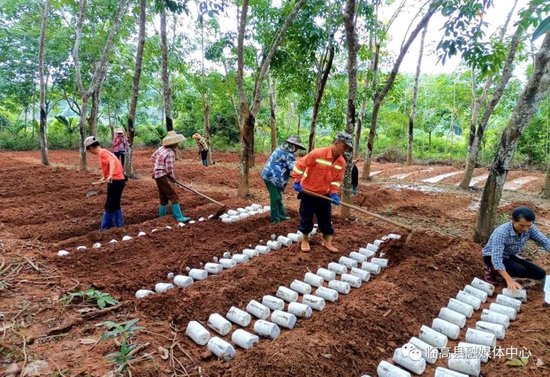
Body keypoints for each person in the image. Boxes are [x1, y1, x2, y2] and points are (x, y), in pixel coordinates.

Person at [291, 132, 353, 253]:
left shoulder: (341, 162)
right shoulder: (318, 153)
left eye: (347, 148)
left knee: (326, 218)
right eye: (344, 146)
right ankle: (304, 240)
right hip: (309, 192)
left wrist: (334, 193)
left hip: (324, 195)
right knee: (306, 217)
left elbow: (336, 181)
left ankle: (327, 241)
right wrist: (297, 180)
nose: (345, 149)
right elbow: (300, 164)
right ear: (336, 143)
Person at [483, 206, 550, 291]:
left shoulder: (530, 228)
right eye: (521, 225)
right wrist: (509, 280)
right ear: (513, 220)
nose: (525, 229)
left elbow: (545, 241)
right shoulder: (501, 232)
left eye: (528, 226)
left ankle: (508, 271)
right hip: (491, 256)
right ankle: (491, 270)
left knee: (540, 273)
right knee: (519, 270)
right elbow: (496, 259)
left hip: (510, 255)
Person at [85, 136, 126, 230]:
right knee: (115, 204)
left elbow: (112, 161)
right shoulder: (104, 152)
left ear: (90, 147)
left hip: (116, 180)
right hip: (118, 179)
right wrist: (103, 178)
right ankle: (118, 226)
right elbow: (109, 165)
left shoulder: (102, 153)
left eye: (88, 150)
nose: (89, 152)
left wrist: (110, 175)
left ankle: (104, 228)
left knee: (109, 205)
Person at [262, 135, 306, 224]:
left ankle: (282, 217)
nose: (297, 149)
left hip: (270, 175)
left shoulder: (282, 148)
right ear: (292, 145)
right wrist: (303, 175)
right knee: (275, 198)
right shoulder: (288, 154)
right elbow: (293, 168)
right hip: (272, 177)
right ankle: (275, 220)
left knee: (278, 197)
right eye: (297, 147)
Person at [151, 131, 191, 223]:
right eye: (177, 143)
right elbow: (169, 169)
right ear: (173, 144)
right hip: (163, 176)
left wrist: (155, 168)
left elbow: (152, 157)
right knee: (174, 196)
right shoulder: (170, 153)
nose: (177, 144)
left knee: (163, 196)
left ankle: (162, 217)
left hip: (157, 176)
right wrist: (172, 178)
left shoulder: (161, 148)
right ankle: (179, 217)